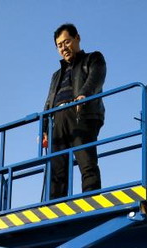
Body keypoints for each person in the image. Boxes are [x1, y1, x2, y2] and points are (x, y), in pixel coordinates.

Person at [42, 23, 106, 200]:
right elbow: (49, 100)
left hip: (81, 114)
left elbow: (96, 78)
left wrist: (84, 94)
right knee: (57, 170)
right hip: (58, 119)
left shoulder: (93, 58)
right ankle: (55, 207)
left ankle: (92, 201)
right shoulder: (56, 75)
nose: (63, 48)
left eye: (67, 42)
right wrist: (44, 128)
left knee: (86, 162)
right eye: (59, 46)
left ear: (77, 38)